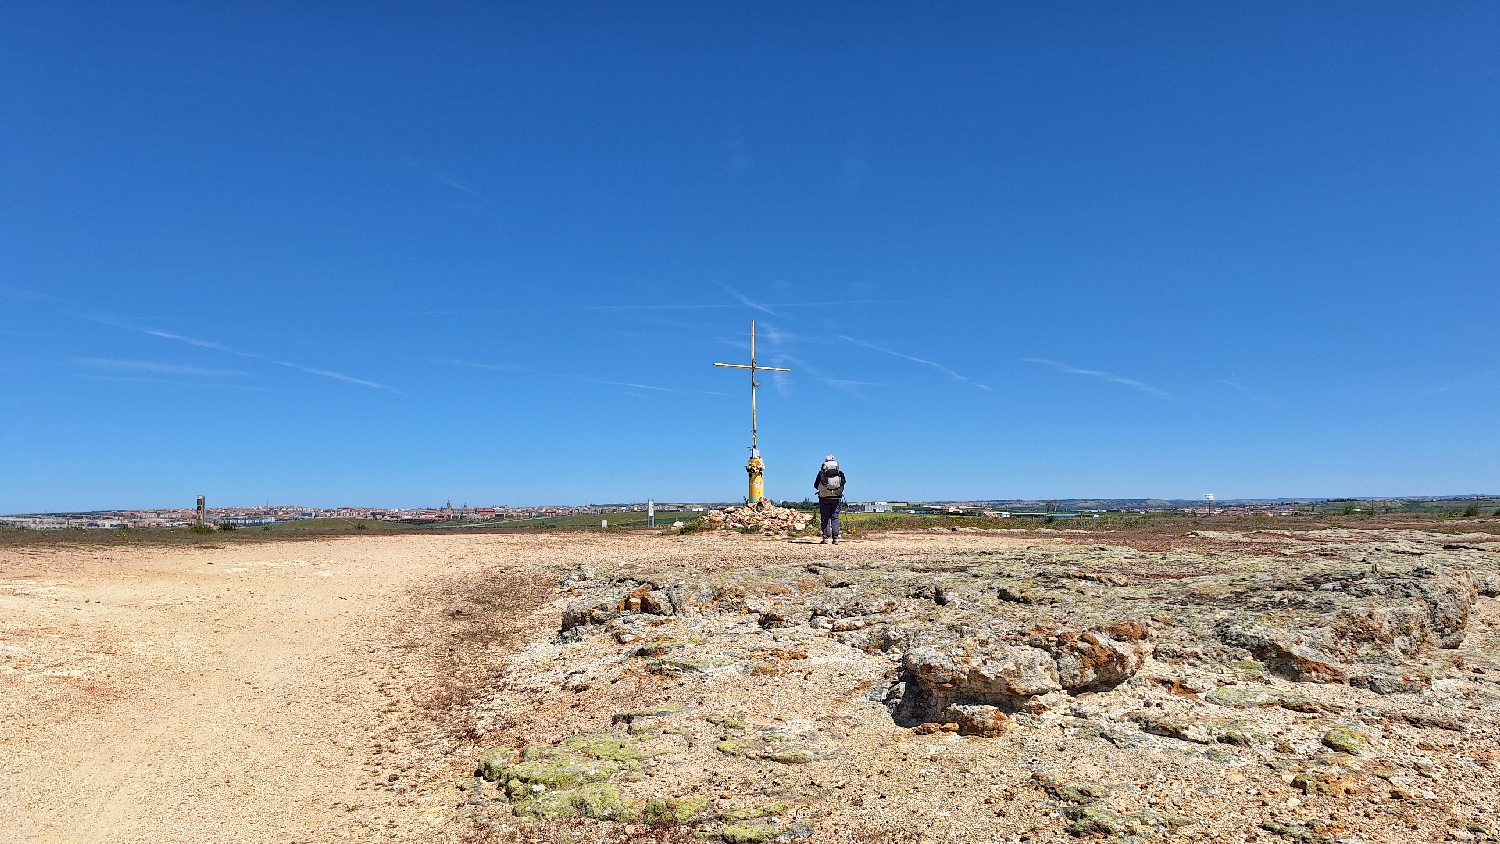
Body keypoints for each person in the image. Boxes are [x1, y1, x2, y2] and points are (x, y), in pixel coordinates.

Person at [813, 455, 846, 544]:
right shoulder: (840, 474)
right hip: (836, 497)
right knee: (835, 517)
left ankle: (825, 538)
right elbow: (843, 484)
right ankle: (835, 538)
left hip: (824, 497)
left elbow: (815, 485)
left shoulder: (821, 474)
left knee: (825, 517)